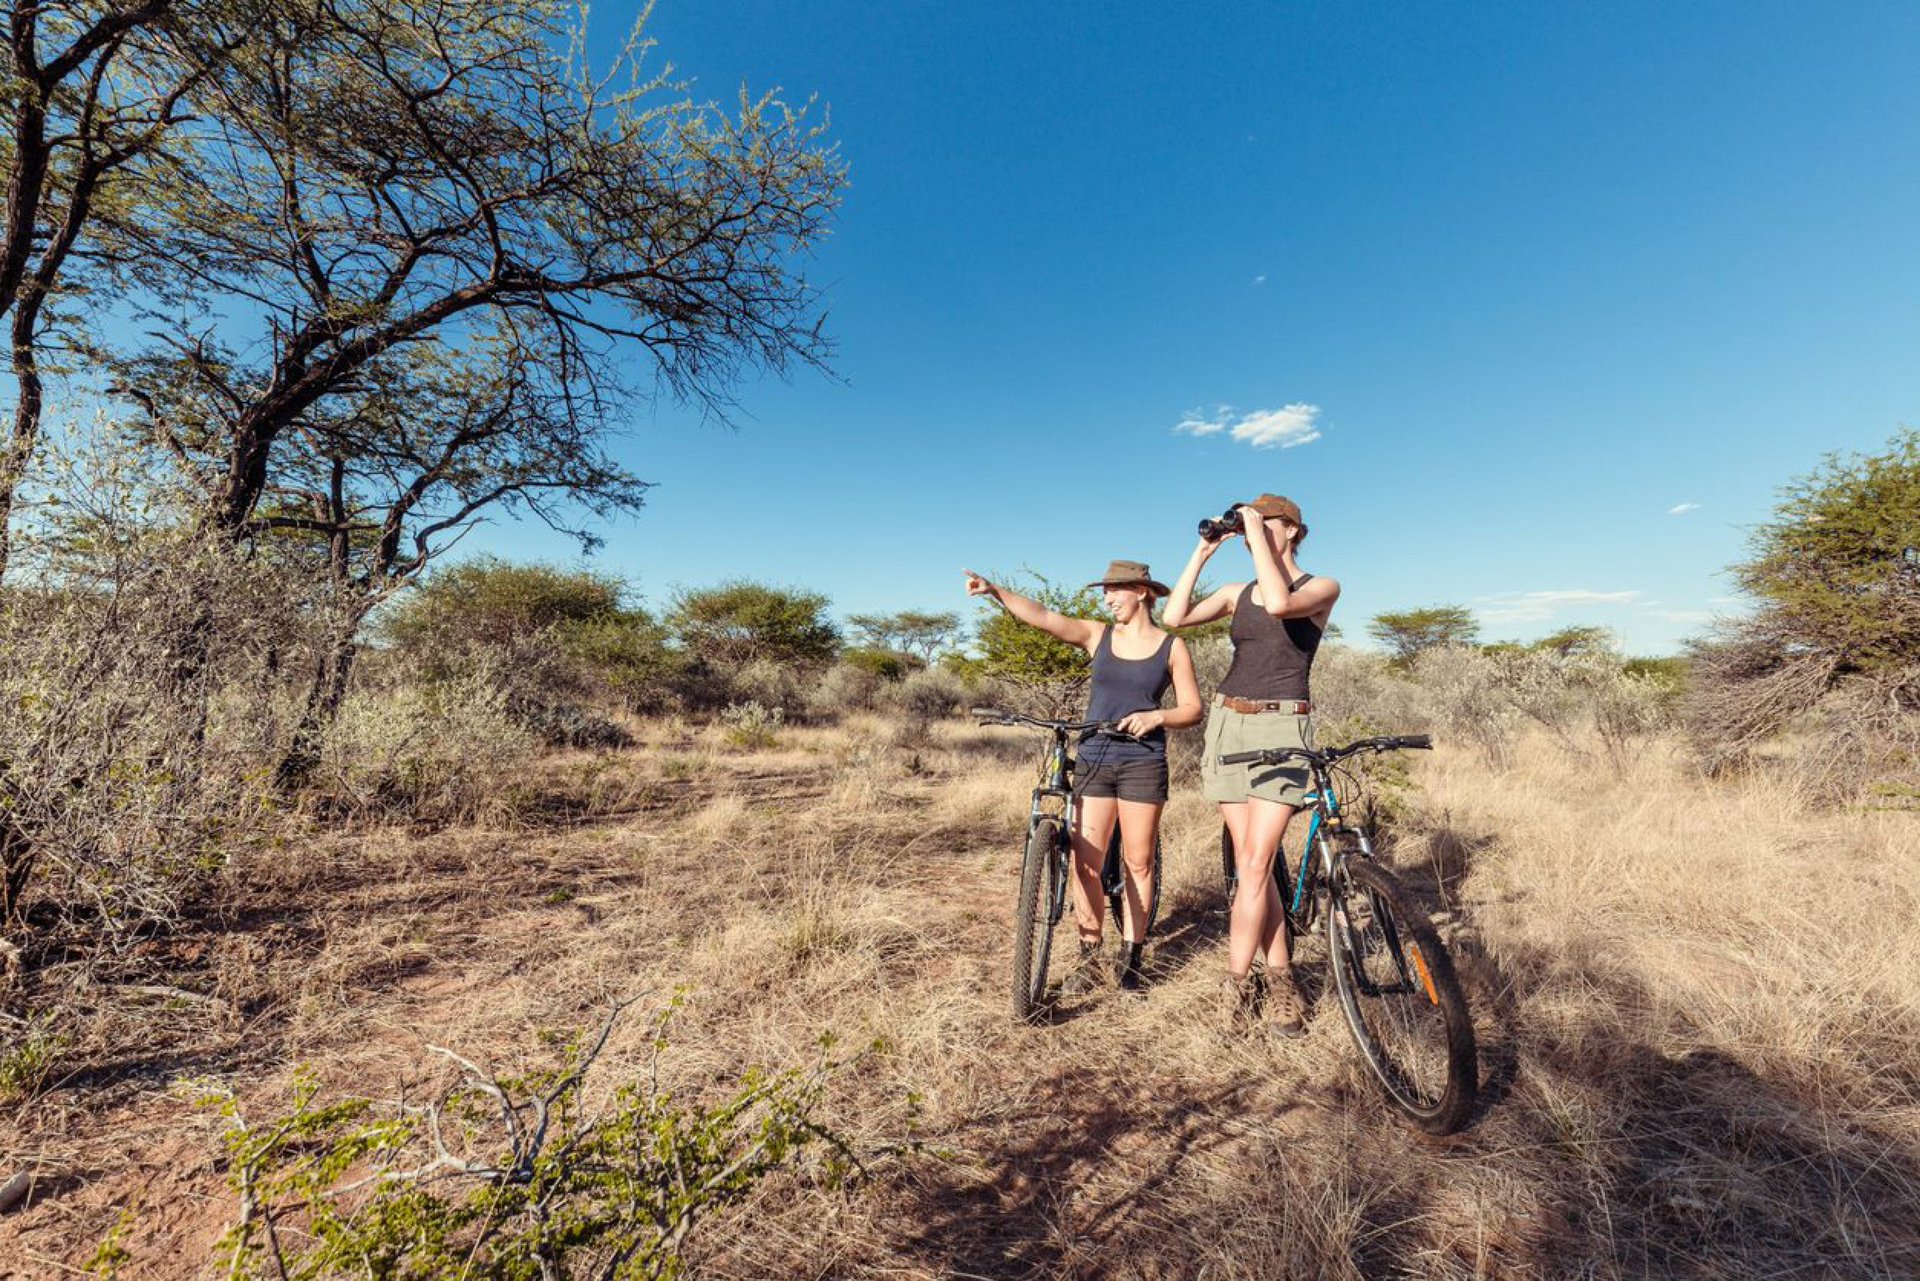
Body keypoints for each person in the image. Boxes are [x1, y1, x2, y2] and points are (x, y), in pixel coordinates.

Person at [964, 561, 1203, 992]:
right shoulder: (1098, 635)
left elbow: (1192, 709)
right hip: (1094, 756)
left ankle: (1132, 958)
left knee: (1138, 862)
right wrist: (996, 591)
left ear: (1143, 592)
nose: (1108, 598)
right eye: (1106, 591)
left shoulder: (1172, 647)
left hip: (1143, 761)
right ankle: (1090, 955)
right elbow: (1043, 617)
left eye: (1116, 590)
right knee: (1085, 865)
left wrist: (1156, 717)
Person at [1162, 494, 1339, 1035]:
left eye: (1270, 523)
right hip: (1228, 722)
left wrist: (1257, 535)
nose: (1256, 531)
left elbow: (1283, 605)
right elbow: (1173, 617)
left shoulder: (1320, 587)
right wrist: (1202, 552)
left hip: (1284, 724)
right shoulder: (1238, 592)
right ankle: (1281, 975)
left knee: (1258, 866)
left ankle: (1236, 986)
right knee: (1251, 868)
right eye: (1253, 525)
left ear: (1294, 532)